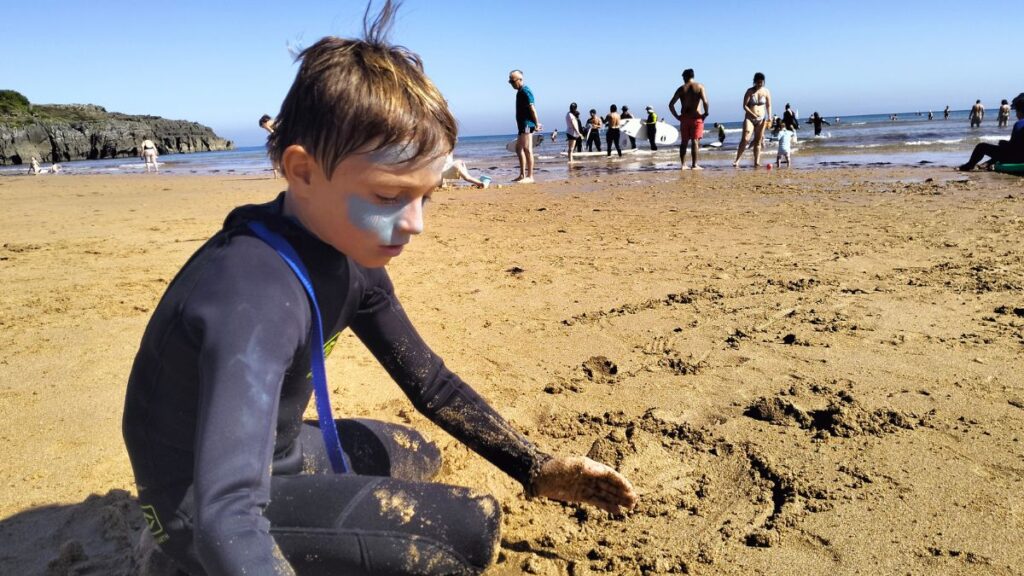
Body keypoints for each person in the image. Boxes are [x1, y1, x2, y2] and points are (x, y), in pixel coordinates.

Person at [121, 4, 638, 576]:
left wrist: (534, 466)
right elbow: (228, 515)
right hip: (200, 505)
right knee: (465, 534)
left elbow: (433, 385)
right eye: (391, 197)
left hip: (281, 452)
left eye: (429, 195)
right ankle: (165, 560)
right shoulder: (253, 293)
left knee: (421, 451)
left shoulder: (352, 255)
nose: (416, 222)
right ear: (303, 170)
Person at [959, 93, 1024, 171]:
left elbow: (1013, 148)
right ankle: (988, 163)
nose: (1016, 115)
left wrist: (1004, 143)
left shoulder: (1019, 124)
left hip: (1016, 159)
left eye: (1016, 112)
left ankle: (969, 165)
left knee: (981, 147)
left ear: (1020, 111)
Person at [668, 68, 709, 170]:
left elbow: (671, 104)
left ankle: (683, 165)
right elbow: (705, 101)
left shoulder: (681, 89)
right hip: (696, 117)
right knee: (695, 141)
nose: (682, 79)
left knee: (684, 142)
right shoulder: (700, 87)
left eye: (683, 77)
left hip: (685, 118)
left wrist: (677, 116)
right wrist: (706, 113)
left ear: (686, 76)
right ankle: (694, 165)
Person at [508, 69, 541, 183]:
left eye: (513, 81)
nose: (511, 84)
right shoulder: (520, 91)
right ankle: (522, 175)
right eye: (510, 81)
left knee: (527, 149)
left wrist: (536, 123)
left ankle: (530, 176)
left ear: (520, 79)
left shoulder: (526, 91)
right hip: (522, 125)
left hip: (527, 124)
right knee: (518, 149)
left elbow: (532, 108)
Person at [733, 72, 771, 168]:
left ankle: (756, 162)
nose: (759, 84)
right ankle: (737, 160)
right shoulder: (750, 91)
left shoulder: (766, 91)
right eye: (758, 82)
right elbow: (744, 106)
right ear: (754, 82)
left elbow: (768, 105)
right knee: (745, 139)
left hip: (761, 119)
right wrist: (753, 114)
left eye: (761, 82)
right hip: (750, 118)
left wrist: (770, 117)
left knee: (758, 141)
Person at [259, 114, 281, 179]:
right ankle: (277, 175)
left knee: (274, 158)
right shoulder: (276, 121)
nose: (264, 128)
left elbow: (272, 132)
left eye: (263, 127)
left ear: (263, 123)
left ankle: (278, 174)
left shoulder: (266, 124)